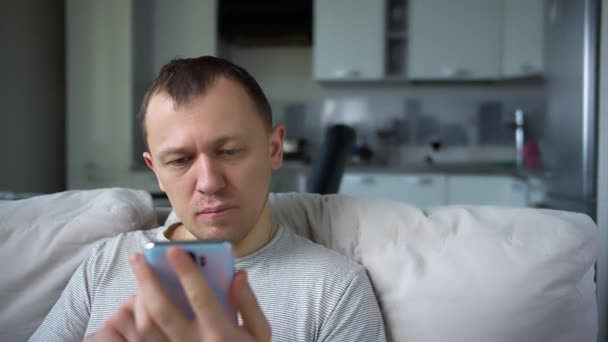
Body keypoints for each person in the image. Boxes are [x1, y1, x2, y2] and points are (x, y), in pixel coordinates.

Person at [30, 56, 387, 341]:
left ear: (274, 148)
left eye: (229, 151)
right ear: (156, 170)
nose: (209, 183)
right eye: (180, 161)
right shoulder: (108, 261)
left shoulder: (336, 289)